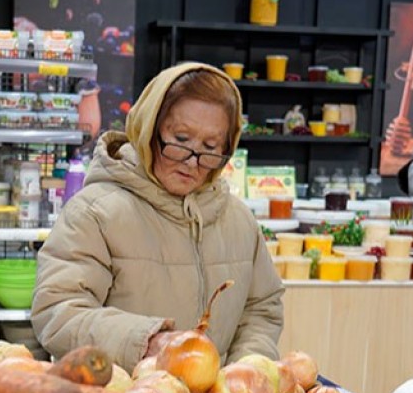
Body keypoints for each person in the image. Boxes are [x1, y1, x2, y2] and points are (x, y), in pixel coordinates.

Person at [31, 62, 284, 372]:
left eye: (210, 146)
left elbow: (262, 308)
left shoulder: (238, 220)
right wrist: (145, 342)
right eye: (180, 139)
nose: (192, 161)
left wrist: (245, 372)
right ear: (150, 128)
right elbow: (58, 311)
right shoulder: (95, 213)